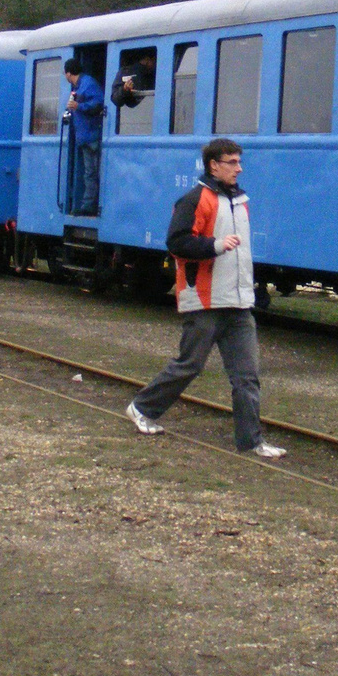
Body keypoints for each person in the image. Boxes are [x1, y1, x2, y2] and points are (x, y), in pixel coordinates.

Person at [125, 137, 286, 459]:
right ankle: (141, 408)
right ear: (214, 165)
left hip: (238, 303)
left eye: (239, 162)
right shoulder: (196, 199)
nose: (239, 168)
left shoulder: (240, 200)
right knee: (189, 365)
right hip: (204, 301)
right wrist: (214, 245)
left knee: (247, 376)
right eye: (232, 162)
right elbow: (177, 242)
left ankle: (251, 442)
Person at [64, 59, 103, 215]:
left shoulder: (87, 84)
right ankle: (87, 205)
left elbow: (99, 102)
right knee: (89, 172)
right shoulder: (77, 86)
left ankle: (90, 206)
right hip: (84, 136)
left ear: (68, 73)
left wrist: (80, 107)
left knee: (92, 172)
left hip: (91, 135)